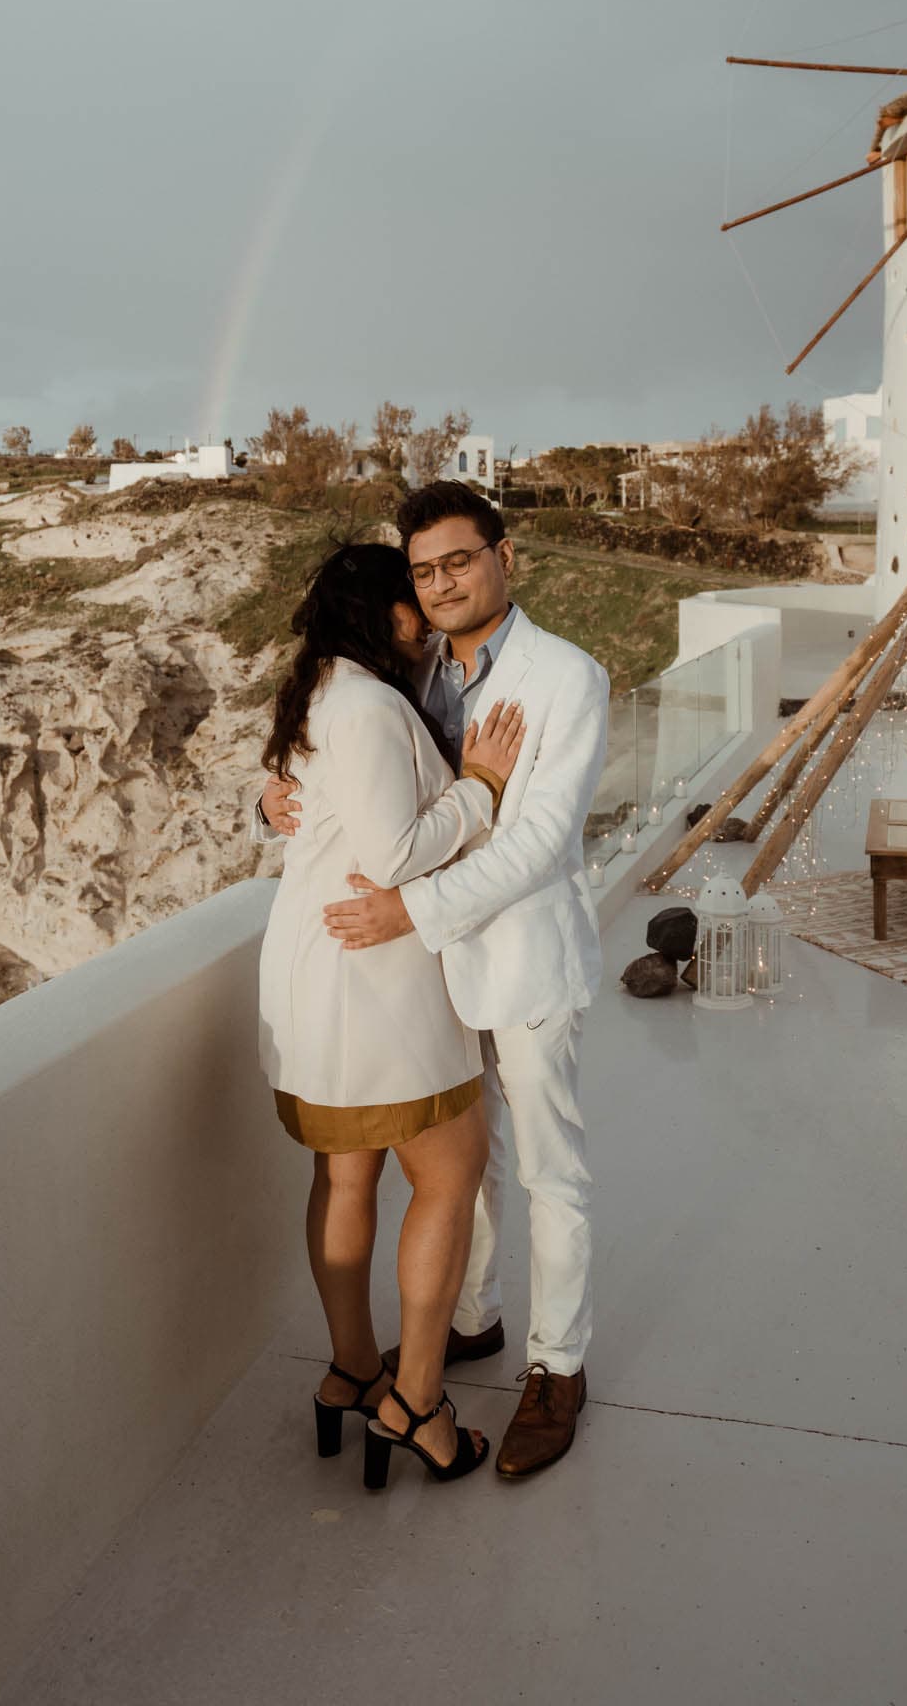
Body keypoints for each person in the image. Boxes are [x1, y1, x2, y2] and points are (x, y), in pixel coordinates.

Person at [261, 483, 610, 1478]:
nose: (444, 581)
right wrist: (271, 792)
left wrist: (411, 911)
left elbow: (540, 840)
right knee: (468, 1169)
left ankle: (558, 1366)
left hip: (516, 956)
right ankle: (471, 1318)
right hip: (417, 981)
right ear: (406, 586)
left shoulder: (566, 677)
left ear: (506, 557)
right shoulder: (407, 670)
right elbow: (350, 770)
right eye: (425, 569)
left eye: (461, 559)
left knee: (549, 1167)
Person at [256, 542, 526, 1489]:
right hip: (373, 980)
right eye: (410, 597)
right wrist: (481, 788)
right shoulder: (370, 706)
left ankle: (348, 1371)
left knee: (346, 1179)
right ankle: (416, 1403)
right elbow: (396, 848)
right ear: (380, 612)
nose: (425, 612)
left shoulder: (320, 691)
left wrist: (265, 803)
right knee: (448, 1178)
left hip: (317, 972)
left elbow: (308, 812)